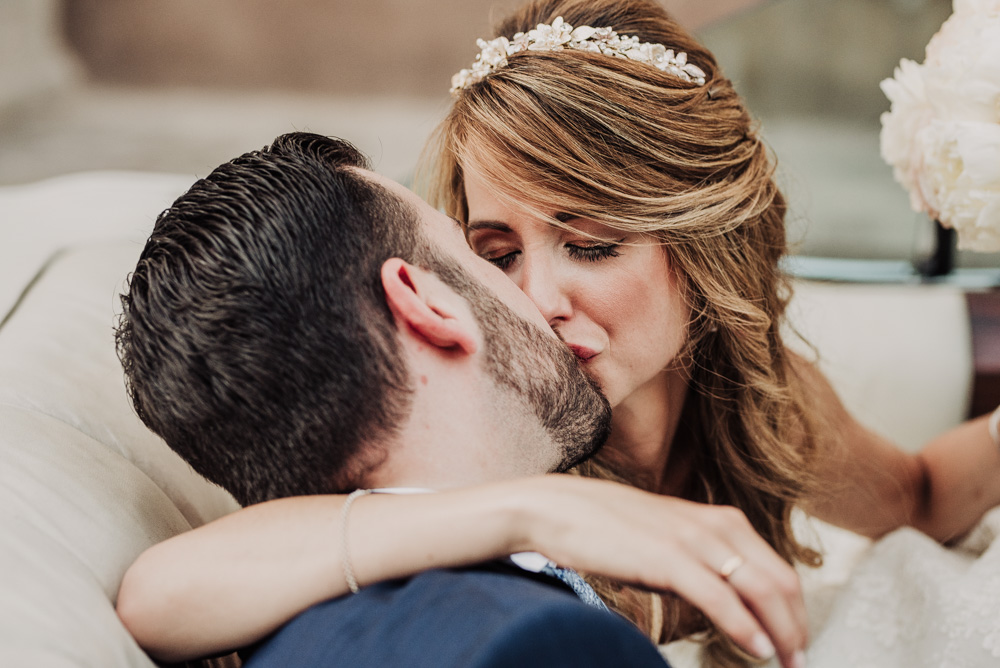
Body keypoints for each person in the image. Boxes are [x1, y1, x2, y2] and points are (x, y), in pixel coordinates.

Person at [116, 1, 1000, 667]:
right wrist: (532, 510)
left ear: (699, 243)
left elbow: (917, 496)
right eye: (495, 253)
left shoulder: (754, 401)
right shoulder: (502, 435)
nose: (536, 299)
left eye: (591, 245)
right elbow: (163, 592)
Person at [115, 131, 672, 667]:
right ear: (427, 303)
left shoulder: (277, 624)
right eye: (486, 256)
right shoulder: (544, 643)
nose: (536, 300)